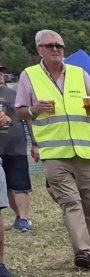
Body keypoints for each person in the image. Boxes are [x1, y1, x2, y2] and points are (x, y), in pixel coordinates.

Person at [14, 30, 90, 270]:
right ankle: (84, 252)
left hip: (86, 150)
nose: (56, 49)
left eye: (59, 45)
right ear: (39, 50)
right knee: (71, 202)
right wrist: (33, 109)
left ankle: (86, 246)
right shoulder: (29, 75)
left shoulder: (79, 73)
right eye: (50, 45)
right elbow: (19, 111)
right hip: (53, 153)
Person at [0, 68, 35, 234]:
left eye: (1, 72)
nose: (0, 74)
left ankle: (23, 218)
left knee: (20, 185)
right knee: (6, 187)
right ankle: (19, 216)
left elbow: (27, 117)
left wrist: (35, 143)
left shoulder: (14, 94)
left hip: (17, 146)